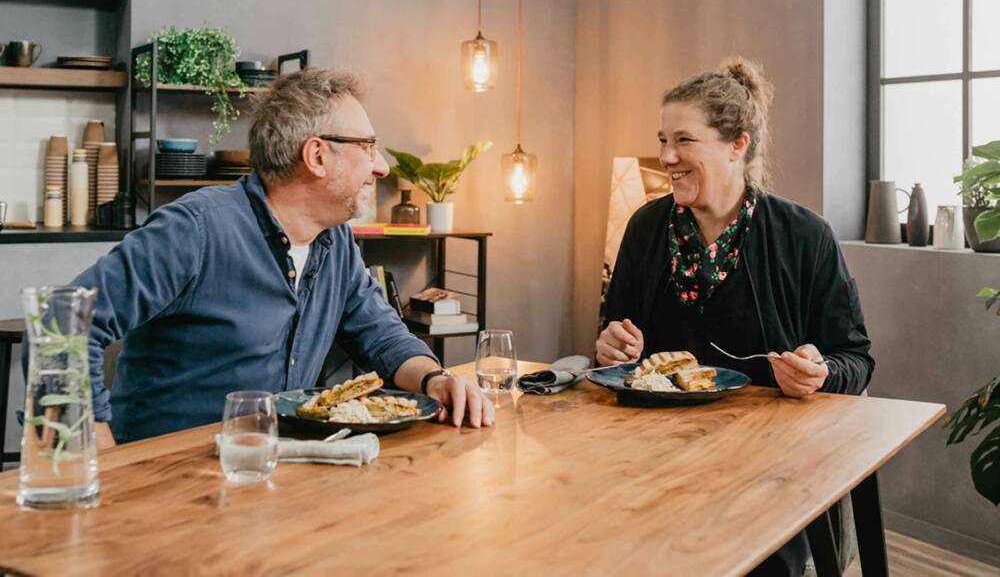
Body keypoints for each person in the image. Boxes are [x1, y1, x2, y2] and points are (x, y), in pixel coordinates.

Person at [73, 68, 493, 448]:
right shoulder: (196, 230)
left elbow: (381, 335)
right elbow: (65, 323)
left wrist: (434, 380)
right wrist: (99, 452)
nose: (380, 166)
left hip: (275, 471)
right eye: (367, 146)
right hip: (168, 483)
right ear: (316, 156)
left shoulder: (336, 244)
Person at [595, 57, 874, 576]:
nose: (666, 157)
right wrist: (612, 345)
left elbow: (855, 358)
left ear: (737, 145)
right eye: (662, 141)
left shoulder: (805, 236)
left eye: (684, 140)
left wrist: (821, 373)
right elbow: (614, 340)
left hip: (767, 470)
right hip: (652, 459)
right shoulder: (645, 227)